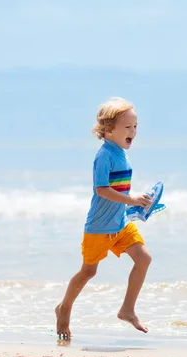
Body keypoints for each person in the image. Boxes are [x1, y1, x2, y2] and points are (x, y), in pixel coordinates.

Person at [55, 97, 153, 340]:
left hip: (120, 224)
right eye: (127, 127)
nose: (133, 132)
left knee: (144, 258)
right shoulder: (104, 156)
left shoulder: (121, 153)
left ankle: (127, 309)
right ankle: (64, 307)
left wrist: (137, 206)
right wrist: (131, 199)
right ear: (109, 130)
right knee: (88, 272)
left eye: (135, 126)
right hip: (99, 227)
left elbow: (119, 190)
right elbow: (102, 190)